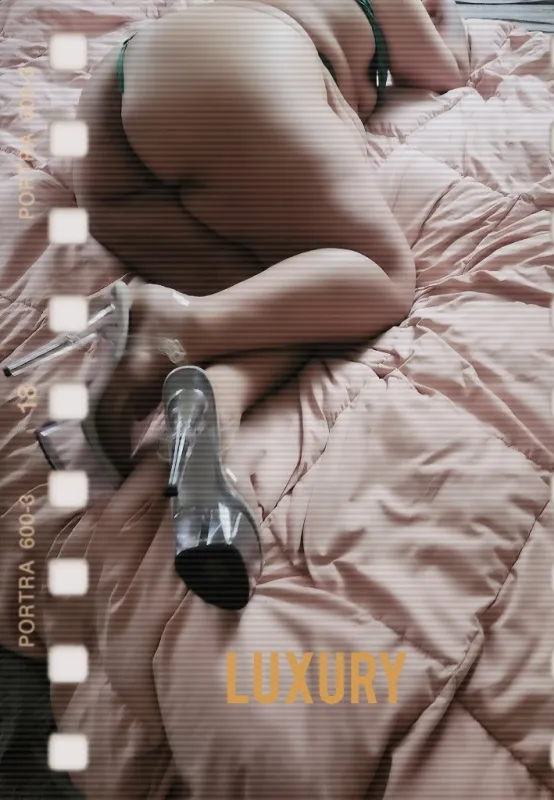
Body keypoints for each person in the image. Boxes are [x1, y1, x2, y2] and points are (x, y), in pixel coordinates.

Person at [5, 0, 471, 608]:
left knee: (283, 296)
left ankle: (213, 407)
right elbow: (446, 69)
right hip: (242, 65)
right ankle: (167, 330)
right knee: (380, 277)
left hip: (120, 112)